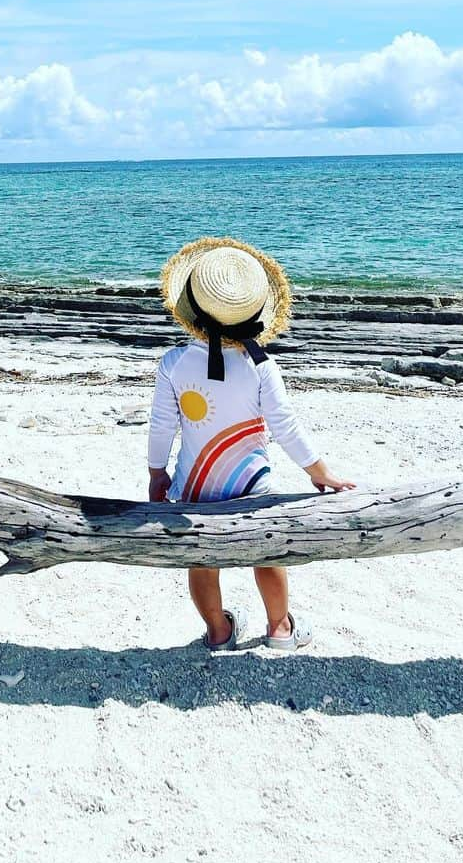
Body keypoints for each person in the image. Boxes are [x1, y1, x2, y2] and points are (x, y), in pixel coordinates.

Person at [147, 237, 355, 652]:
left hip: (195, 485)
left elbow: (161, 427)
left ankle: (219, 632)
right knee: (269, 550)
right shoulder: (260, 365)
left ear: (191, 308)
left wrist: (157, 474)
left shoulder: (173, 363)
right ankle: (279, 629)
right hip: (252, 482)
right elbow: (285, 426)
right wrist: (320, 472)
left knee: (202, 560)